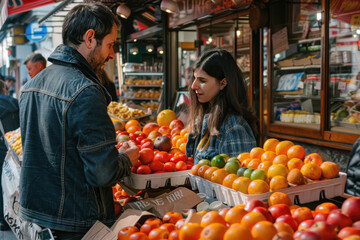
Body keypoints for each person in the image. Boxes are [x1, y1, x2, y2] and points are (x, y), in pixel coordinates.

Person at [19, 3, 139, 239]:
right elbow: (102, 173)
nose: (112, 54)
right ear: (90, 38)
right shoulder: (85, 90)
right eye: (110, 44)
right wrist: (126, 159)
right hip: (77, 223)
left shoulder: (30, 86)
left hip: (40, 217)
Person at [185, 49, 258, 164]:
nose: (194, 86)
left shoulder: (233, 129)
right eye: (194, 78)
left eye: (202, 81)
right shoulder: (202, 119)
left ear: (223, 83)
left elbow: (237, 179)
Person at [0, 80, 19, 231]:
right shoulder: (15, 102)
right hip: (17, 147)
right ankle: (17, 216)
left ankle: (4, 219)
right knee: (15, 183)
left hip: (1, 148)